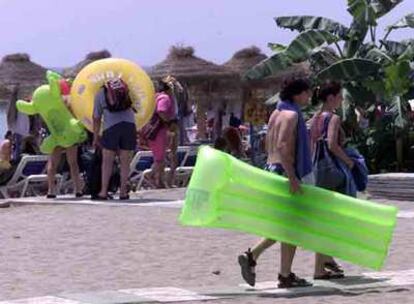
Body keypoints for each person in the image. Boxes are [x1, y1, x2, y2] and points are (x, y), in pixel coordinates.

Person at [238, 79, 313, 288]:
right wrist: (292, 178)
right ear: (298, 94)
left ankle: (266, 263)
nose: (309, 97)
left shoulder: (276, 114)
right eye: (308, 93)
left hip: (271, 169)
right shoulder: (291, 115)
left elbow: (269, 144)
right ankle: (279, 270)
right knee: (293, 226)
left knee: (285, 225)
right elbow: (281, 145)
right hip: (284, 172)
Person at [309, 82, 352, 279]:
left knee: (322, 217)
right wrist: (349, 162)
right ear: (330, 98)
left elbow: (311, 146)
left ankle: (327, 259)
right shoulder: (333, 118)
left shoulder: (314, 118)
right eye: (339, 96)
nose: (341, 100)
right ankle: (322, 265)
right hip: (331, 172)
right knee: (331, 219)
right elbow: (332, 144)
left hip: (316, 170)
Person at [93, 78, 137, 200]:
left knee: (107, 161)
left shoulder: (100, 93)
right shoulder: (126, 88)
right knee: (125, 161)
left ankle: (103, 191)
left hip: (111, 127)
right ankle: (123, 192)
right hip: (129, 124)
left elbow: (96, 117)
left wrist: (95, 136)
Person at [147, 80, 177, 188]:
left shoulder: (155, 97)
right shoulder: (165, 98)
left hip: (153, 130)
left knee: (159, 157)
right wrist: (168, 122)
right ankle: (153, 177)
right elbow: (161, 111)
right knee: (160, 158)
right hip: (159, 130)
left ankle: (158, 180)